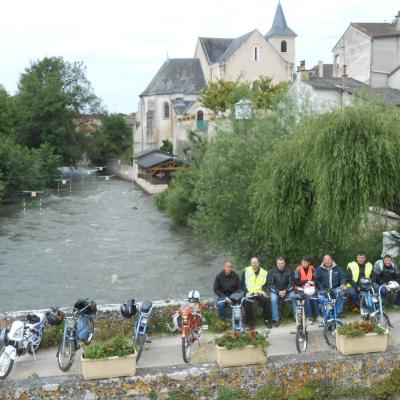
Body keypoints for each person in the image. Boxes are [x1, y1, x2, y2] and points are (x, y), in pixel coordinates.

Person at [241, 257, 272, 329]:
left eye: (255, 262)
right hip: (249, 293)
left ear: (258, 263)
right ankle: (251, 322)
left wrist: (263, 290)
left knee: (266, 301)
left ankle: (267, 320)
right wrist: (246, 292)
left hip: (259, 292)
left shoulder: (264, 272)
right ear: (250, 263)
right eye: (252, 262)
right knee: (248, 303)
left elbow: (265, 284)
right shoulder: (246, 271)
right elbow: (242, 284)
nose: (254, 264)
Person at [269, 257, 296, 327]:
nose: (280, 265)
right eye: (279, 263)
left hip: (286, 292)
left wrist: (285, 291)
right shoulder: (272, 272)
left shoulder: (289, 271)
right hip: (276, 292)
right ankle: (276, 319)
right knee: (273, 299)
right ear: (276, 263)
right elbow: (271, 284)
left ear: (284, 264)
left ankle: (297, 317)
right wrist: (278, 292)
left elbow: (292, 283)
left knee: (294, 296)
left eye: (282, 263)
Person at [294, 256, 319, 323]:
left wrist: (313, 282)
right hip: (301, 288)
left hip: (311, 287)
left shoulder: (312, 269)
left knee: (315, 296)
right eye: (302, 262)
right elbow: (296, 281)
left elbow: (316, 278)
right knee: (307, 297)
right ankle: (309, 317)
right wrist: (305, 283)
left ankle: (317, 316)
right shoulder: (298, 269)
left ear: (309, 262)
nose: (303, 264)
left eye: (305, 262)